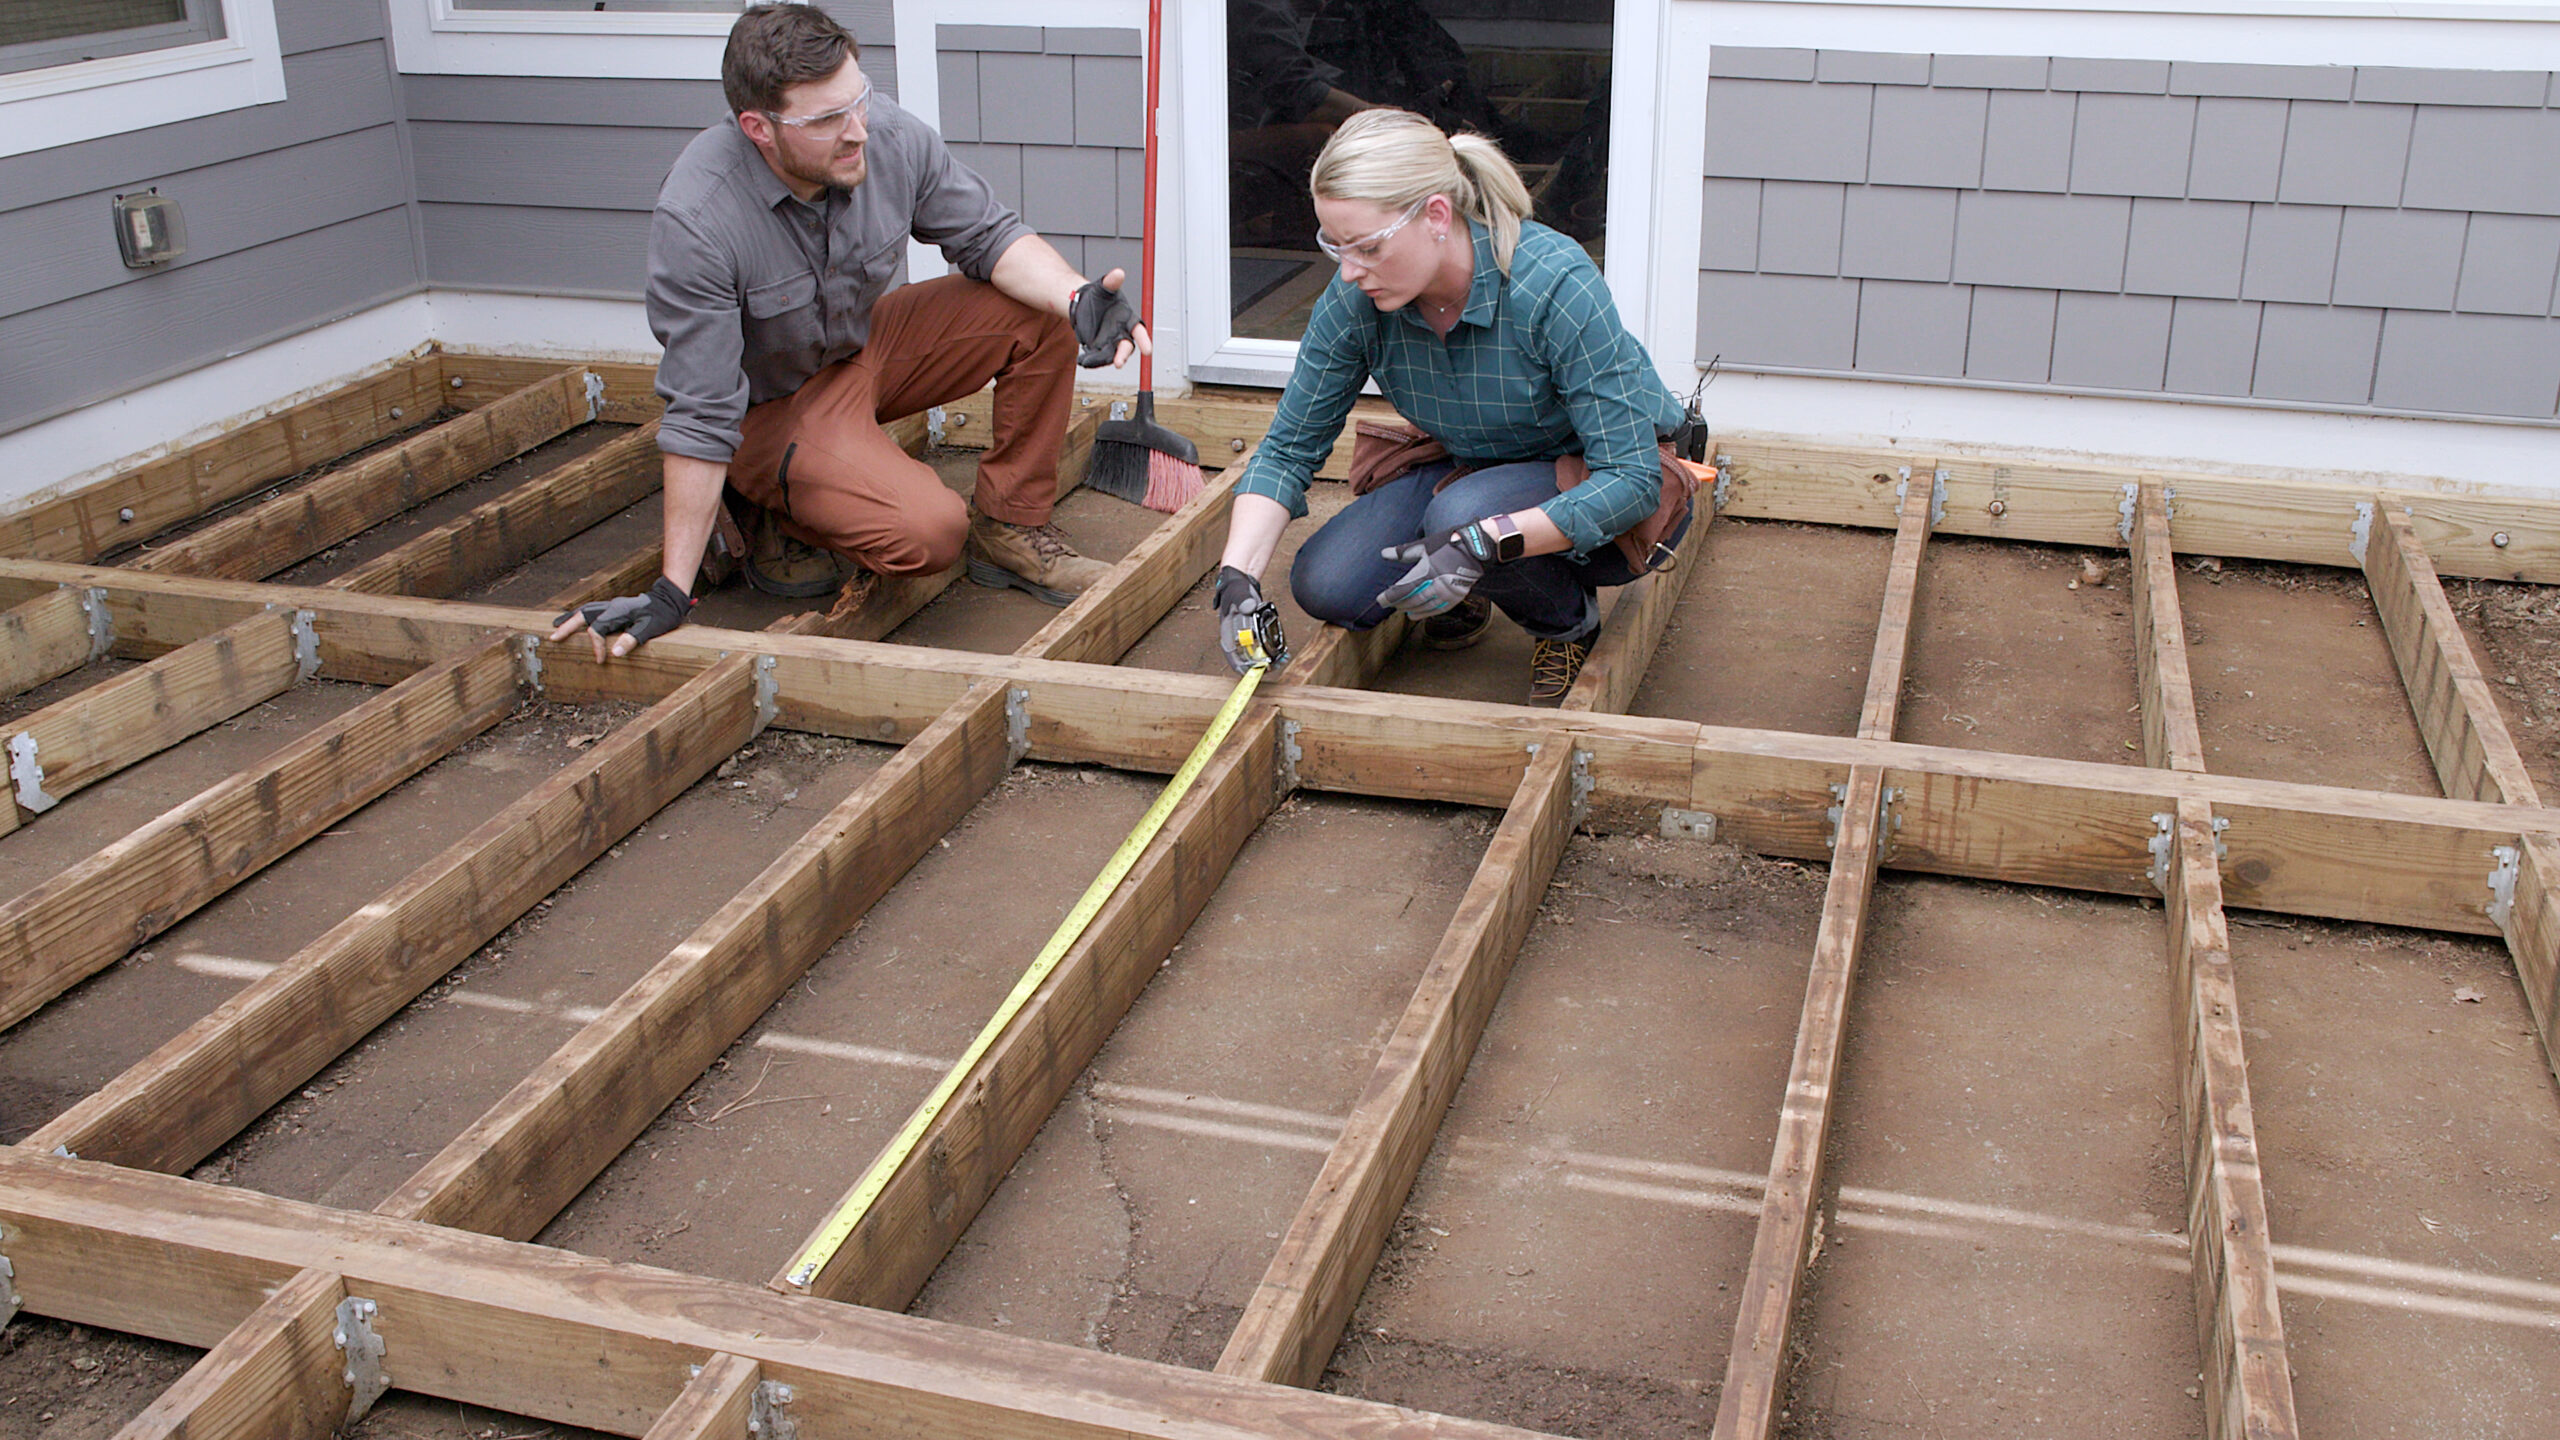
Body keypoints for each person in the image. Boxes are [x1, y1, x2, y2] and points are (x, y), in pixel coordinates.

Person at [556, 2, 1146, 660]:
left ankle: (1011, 529)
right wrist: (673, 589)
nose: (857, 130)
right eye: (828, 119)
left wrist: (1076, 297)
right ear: (759, 127)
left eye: (858, 100)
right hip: (771, 407)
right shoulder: (699, 220)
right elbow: (700, 415)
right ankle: (771, 506)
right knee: (930, 531)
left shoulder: (882, 135)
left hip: (860, 349)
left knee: (1038, 311)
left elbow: (990, 235)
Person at [1210, 108, 1690, 702]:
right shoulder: (1357, 298)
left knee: (1462, 519)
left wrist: (1479, 545)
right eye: (1335, 248)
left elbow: (1632, 479)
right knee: (1327, 584)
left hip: (1597, 482)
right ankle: (1470, 583)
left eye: (1366, 247)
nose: (1350, 271)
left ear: (1437, 215)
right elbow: (1287, 450)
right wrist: (1236, 577)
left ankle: (1566, 624)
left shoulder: (1553, 283)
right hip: (1474, 464)